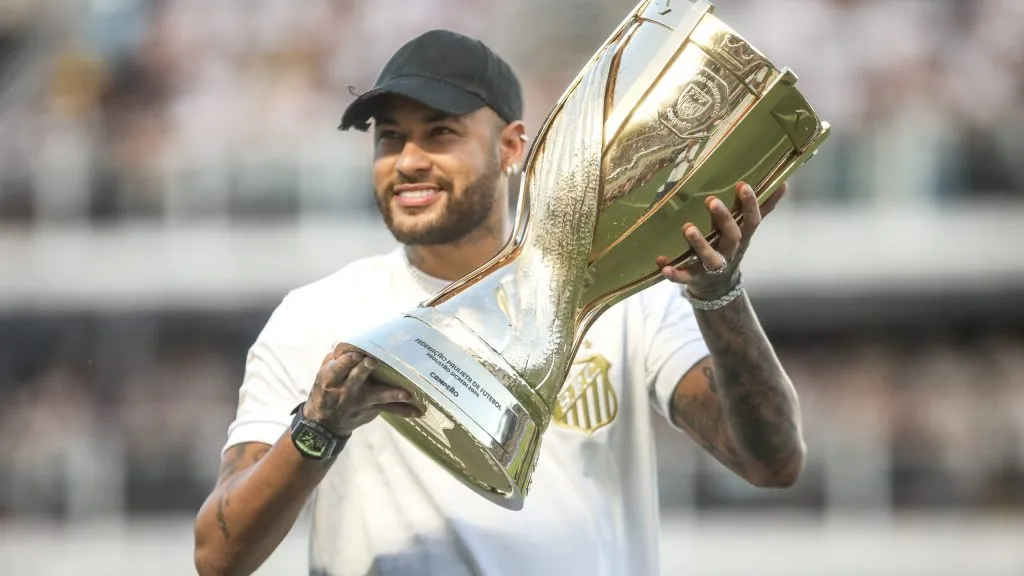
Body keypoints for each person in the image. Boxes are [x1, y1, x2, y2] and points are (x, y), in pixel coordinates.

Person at [193, 29, 806, 576]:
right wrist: (318, 430)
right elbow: (217, 558)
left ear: (513, 147)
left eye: (441, 133)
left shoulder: (623, 296)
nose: (408, 161)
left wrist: (716, 292)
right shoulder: (316, 317)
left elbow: (772, 462)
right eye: (390, 139)